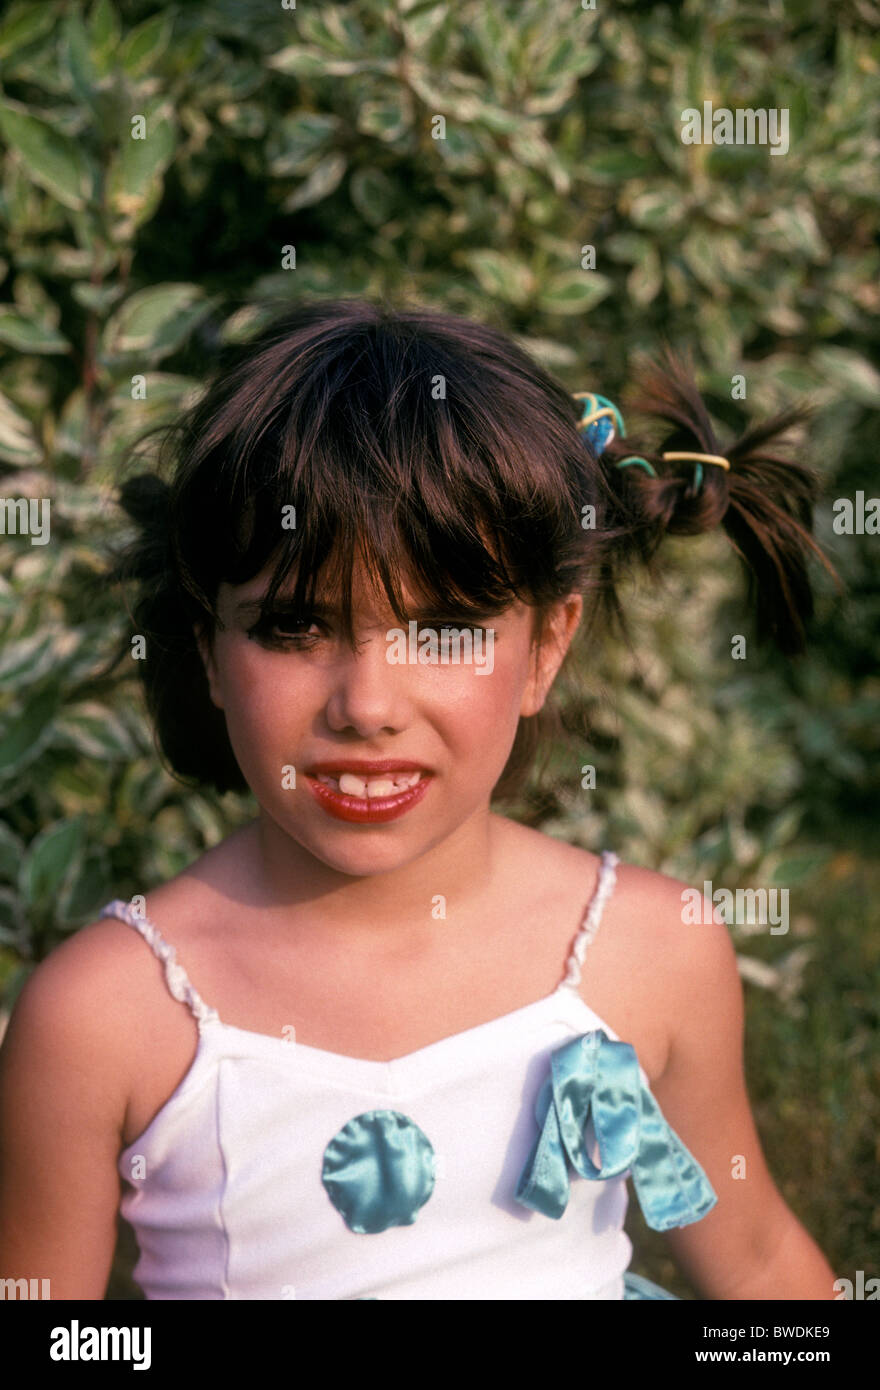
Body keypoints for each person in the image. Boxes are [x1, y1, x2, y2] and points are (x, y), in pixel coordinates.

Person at [0, 298, 840, 1300]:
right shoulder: (106, 1014)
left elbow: (751, 1262)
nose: (365, 705)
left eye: (442, 628)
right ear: (207, 652)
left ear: (547, 646)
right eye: (293, 625)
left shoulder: (653, 949)